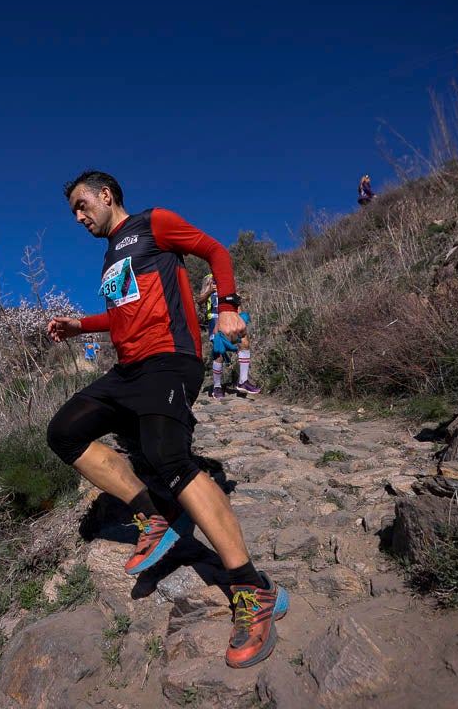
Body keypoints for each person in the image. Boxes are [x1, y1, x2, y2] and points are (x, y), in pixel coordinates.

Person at [46, 170, 287, 669]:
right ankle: (152, 516)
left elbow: (216, 251)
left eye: (82, 205)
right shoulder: (111, 257)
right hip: (128, 369)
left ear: (106, 195)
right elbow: (122, 318)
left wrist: (228, 306)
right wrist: (79, 326)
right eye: (74, 211)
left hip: (170, 358)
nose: (78, 217)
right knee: (64, 432)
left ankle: (252, 589)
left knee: (167, 456)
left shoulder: (153, 223)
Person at [198, 274, 260, 398]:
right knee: (219, 353)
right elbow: (200, 301)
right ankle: (217, 387)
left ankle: (243, 381)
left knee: (244, 343)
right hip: (216, 319)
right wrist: (209, 291)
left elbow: (234, 299)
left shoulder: (229, 277)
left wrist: (240, 316)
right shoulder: (209, 279)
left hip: (232, 316)